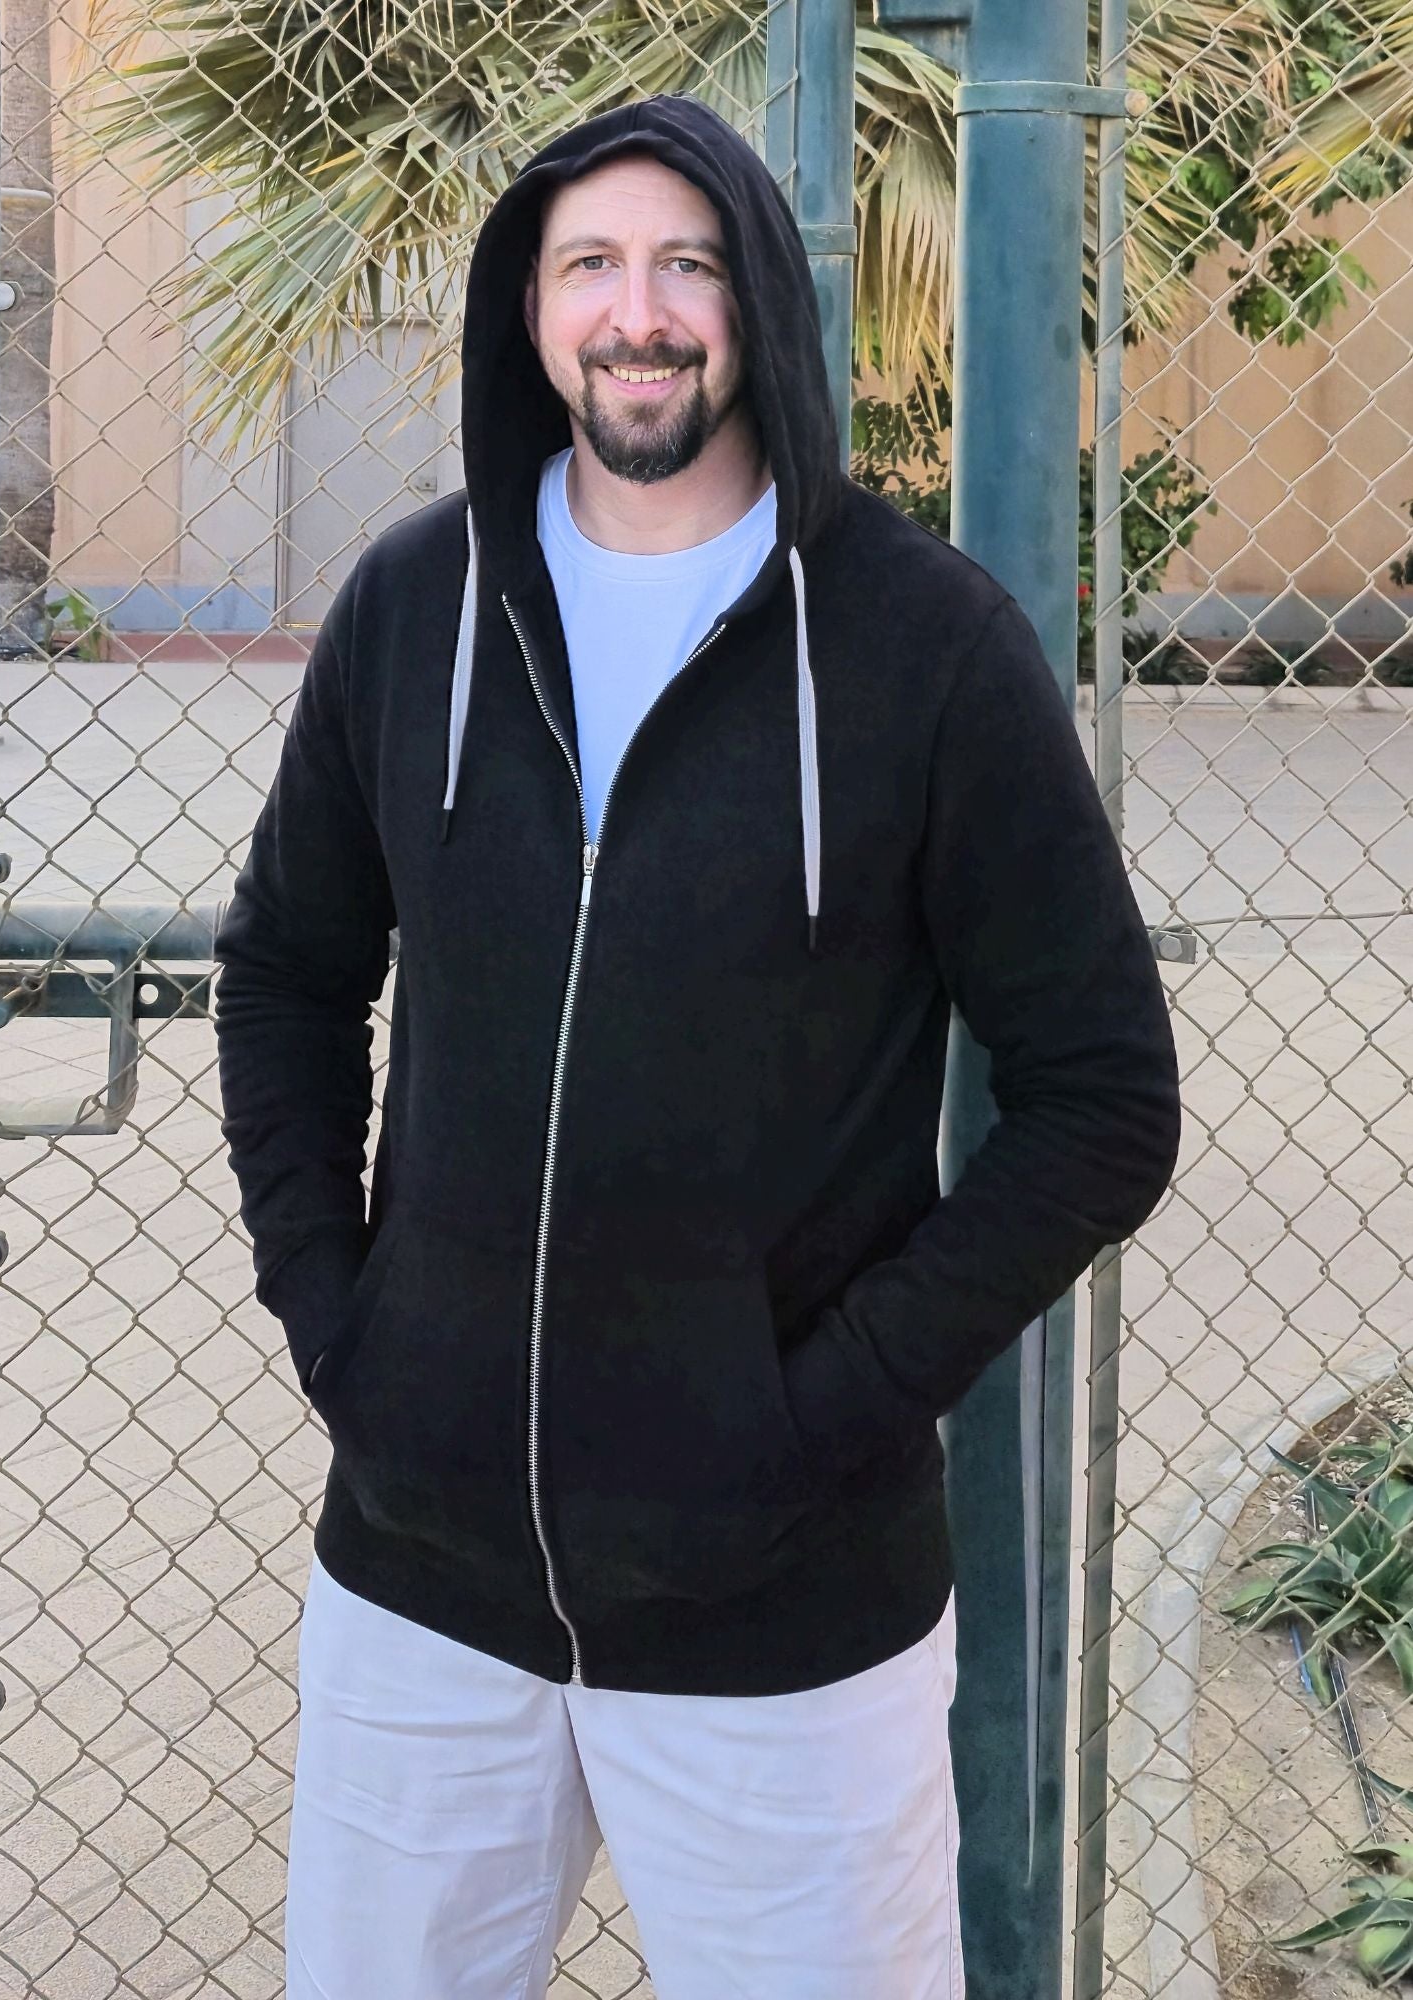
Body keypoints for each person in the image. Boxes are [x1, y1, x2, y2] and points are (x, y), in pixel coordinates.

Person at [213, 92, 1181, 2000]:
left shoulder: (925, 647)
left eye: (688, 265)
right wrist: (345, 1323)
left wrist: (817, 1414)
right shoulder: (416, 607)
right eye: (591, 266)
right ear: (530, 309)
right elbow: (288, 977)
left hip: (788, 1615)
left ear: (757, 307)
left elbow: (1103, 1099)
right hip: (424, 1580)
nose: (638, 312)